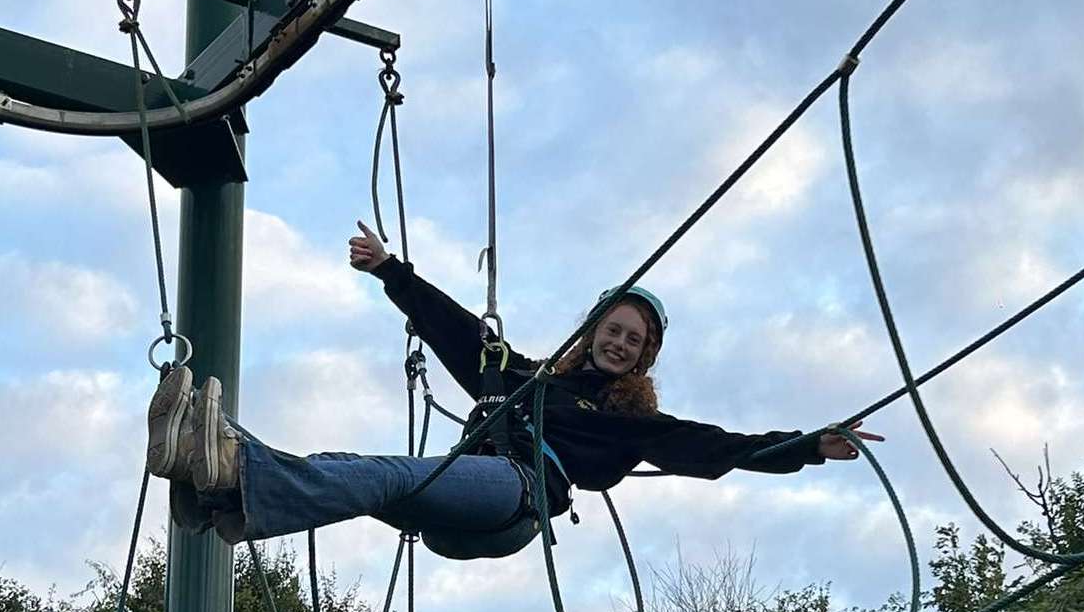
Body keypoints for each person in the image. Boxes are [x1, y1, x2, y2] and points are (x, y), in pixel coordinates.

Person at [146, 219, 877, 559]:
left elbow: (718, 448)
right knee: (357, 472)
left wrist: (807, 446)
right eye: (612, 329)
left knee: (388, 472)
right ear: (592, 330)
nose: (619, 343)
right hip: (461, 503)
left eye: (635, 339)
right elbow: (458, 331)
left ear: (644, 356)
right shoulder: (524, 377)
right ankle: (215, 495)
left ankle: (231, 464)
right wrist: (391, 273)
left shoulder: (629, 422)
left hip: (518, 499)